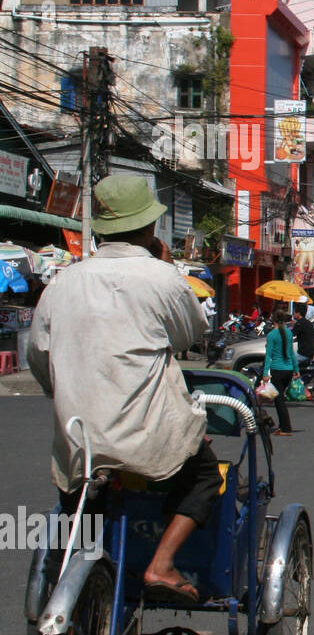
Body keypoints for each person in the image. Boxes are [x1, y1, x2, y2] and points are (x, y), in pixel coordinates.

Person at [27, 174, 221, 605]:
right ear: (150, 228)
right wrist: (165, 267)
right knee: (205, 474)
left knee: (82, 504)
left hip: (81, 443)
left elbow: (40, 360)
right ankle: (162, 563)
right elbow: (190, 334)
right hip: (150, 443)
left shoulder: (61, 283)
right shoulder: (160, 278)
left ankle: (75, 577)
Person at [263, 307, 299, 436]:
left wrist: (265, 373)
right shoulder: (288, 334)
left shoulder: (271, 335)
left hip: (277, 370)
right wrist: (296, 369)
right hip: (288, 370)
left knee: (279, 401)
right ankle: (282, 426)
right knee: (280, 399)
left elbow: (268, 355)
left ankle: (286, 428)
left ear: (274, 321)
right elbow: (291, 353)